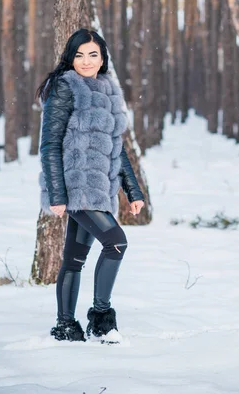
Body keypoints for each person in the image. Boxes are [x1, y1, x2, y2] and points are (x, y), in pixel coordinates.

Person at [36, 28, 145, 344]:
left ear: (102, 57)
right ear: (70, 57)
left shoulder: (108, 88)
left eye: (92, 54)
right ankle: (101, 317)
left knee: (74, 259)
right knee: (116, 243)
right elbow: (50, 143)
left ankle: (66, 324)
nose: (86, 61)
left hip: (101, 188)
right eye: (79, 54)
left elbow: (116, 146)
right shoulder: (65, 87)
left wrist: (132, 191)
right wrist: (57, 193)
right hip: (76, 187)